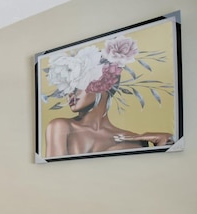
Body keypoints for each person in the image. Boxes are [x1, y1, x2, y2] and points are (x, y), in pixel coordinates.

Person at [42, 35, 174, 158]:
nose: (71, 94)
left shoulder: (134, 140)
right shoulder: (60, 127)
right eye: (69, 88)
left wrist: (162, 145)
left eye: (79, 85)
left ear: (104, 84)